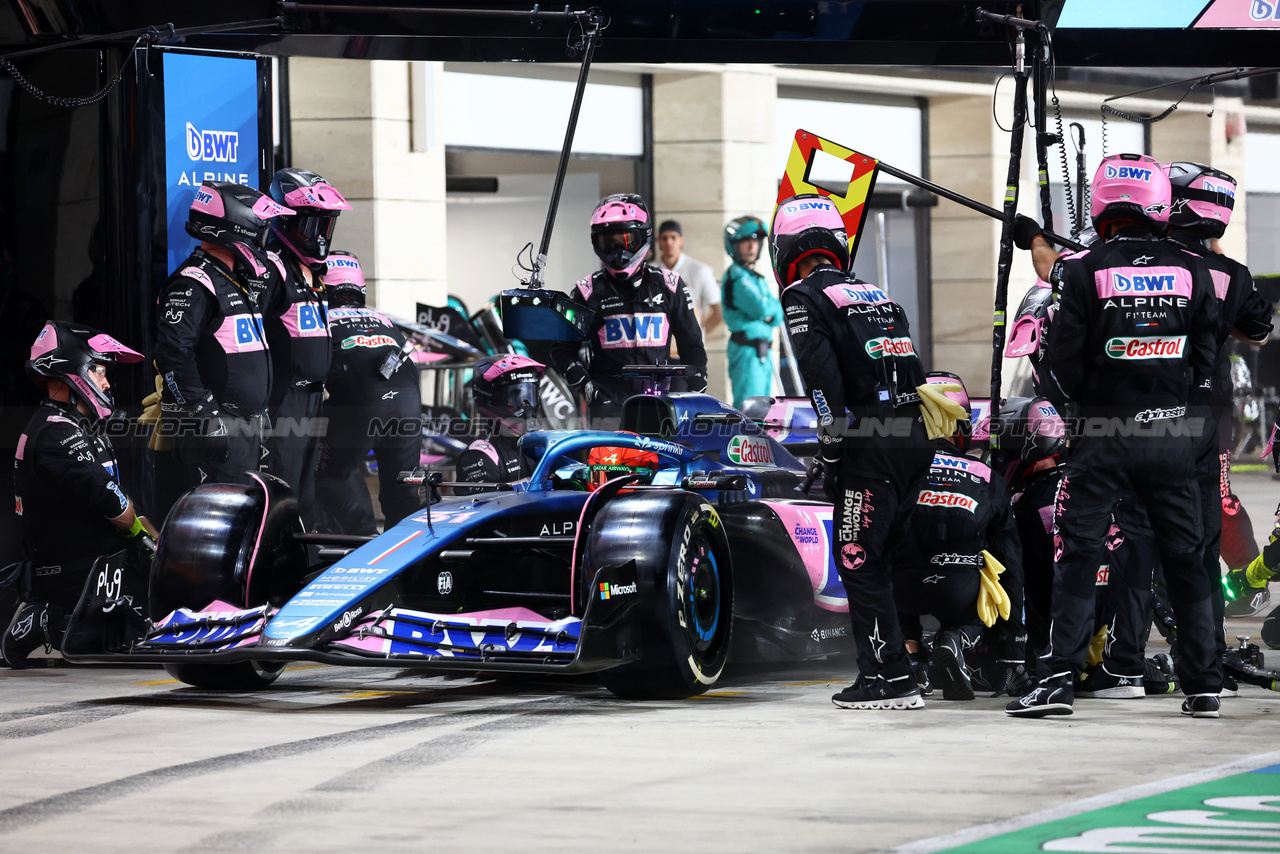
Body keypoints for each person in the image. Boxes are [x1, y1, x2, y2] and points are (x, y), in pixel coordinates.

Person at [1006, 153, 1222, 719]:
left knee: (1078, 554)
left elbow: (1063, 365)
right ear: (1156, 204)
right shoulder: (1193, 269)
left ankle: (1057, 681)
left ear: (1102, 203)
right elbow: (1206, 361)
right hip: (1174, 433)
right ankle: (1204, 684)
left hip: (1102, 436)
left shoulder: (1083, 270)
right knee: (1185, 557)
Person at [774, 193, 962, 710]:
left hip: (871, 449)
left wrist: (830, 455)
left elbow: (824, 390)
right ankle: (906, 668)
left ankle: (885, 678)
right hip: (914, 442)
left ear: (788, 248)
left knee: (859, 560)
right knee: (887, 559)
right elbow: (919, 378)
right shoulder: (879, 293)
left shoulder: (802, 297)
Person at [5, 322, 156, 667]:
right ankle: (45, 621)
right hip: (74, 572)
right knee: (150, 638)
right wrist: (145, 540)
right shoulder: (56, 436)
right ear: (72, 372)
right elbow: (121, 513)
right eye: (98, 371)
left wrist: (161, 550)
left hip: (102, 560)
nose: (106, 382)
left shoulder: (76, 428)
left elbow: (128, 510)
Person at [154, 181, 293, 492]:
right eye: (260, 227)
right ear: (238, 228)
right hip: (215, 430)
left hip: (245, 427)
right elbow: (172, 355)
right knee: (215, 525)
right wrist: (206, 416)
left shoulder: (234, 279)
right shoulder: (193, 283)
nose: (264, 236)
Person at [893, 373, 1025, 701]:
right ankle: (956, 638)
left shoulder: (892, 468)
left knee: (883, 570)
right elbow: (1011, 562)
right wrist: (1013, 647)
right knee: (993, 585)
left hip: (901, 588)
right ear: (959, 426)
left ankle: (913, 661)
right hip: (960, 588)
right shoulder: (987, 476)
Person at [551, 194, 707, 425]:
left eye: (626, 240)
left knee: (664, 463)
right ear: (597, 243)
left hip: (662, 404)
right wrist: (585, 385)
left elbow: (691, 345)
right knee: (608, 463)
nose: (619, 251)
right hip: (607, 407)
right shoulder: (586, 291)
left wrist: (695, 391)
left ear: (643, 237)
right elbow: (561, 349)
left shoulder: (670, 285)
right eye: (610, 243)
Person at [261, 168, 351, 518]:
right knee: (281, 488)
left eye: (326, 225)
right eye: (312, 225)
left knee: (306, 492)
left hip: (315, 397)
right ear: (285, 221)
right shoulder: (273, 268)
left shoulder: (314, 273)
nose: (320, 236)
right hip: (285, 399)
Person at [313, 251, 423, 534]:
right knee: (402, 487)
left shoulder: (317, 317)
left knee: (331, 478)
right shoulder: (382, 318)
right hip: (408, 401)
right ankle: (408, 560)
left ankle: (363, 541)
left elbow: (308, 371)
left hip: (359, 406)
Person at [455, 354, 544, 492]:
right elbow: (482, 510)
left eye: (530, 395)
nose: (525, 405)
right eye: (516, 397)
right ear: (490, 399)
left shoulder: (544, 442)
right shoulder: (480, 455)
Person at [722, 215, 782, 409]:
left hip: (761, 352)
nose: (752, 246)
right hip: (746, 351)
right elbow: (762, 309)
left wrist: (769, 312)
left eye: (755, 241)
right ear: (734, 245)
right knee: (750, 409)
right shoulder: (737, 276)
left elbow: (778, 314)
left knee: (764, 410)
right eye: (746, 241)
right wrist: (768, 312)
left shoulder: (755, 277)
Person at [656, 219, 722, 337]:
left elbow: (719, 311)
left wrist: (698, 334)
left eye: (673, 237)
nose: (669, 242)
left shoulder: (700, 270)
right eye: (664, 238)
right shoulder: (650, 270)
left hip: (689, 350)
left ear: (681, 240)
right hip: (657, 350)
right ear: (658, 241)